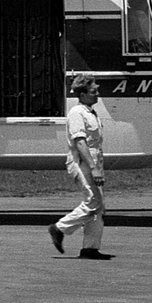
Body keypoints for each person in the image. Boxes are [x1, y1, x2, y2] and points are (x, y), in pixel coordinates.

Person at [48, 75, 112, 260]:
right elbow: (80, 142)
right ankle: (59, 228)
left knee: (98, 208)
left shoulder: (90, 112)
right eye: (93, 92)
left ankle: (90, 249)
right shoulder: (77, 113)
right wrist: (93, 168)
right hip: (83, 162)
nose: (97, 95)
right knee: (94, 202)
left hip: (94, 160)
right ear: (82, 94)